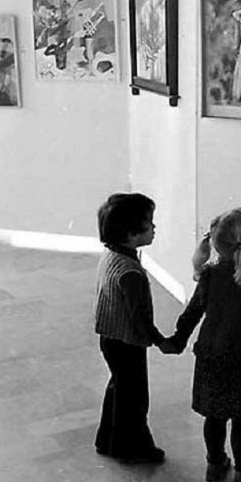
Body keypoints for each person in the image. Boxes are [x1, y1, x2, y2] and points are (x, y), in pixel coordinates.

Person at [160, 207, 241, 482]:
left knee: (213, 415)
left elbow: (192, 312)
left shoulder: (209, 275)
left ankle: (215, 464)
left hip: (211, 354)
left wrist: (178, 340)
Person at [94, 192, 167, 464]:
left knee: (118, 389)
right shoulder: (130, 272)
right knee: (135, 399)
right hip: (127, 341)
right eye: (149, 223)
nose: (154, 228)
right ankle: (133, 448)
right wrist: (161, 341)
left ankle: (108, 440)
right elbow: (141, 319)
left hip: (110, 337)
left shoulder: (112, 255)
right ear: (130, 233)